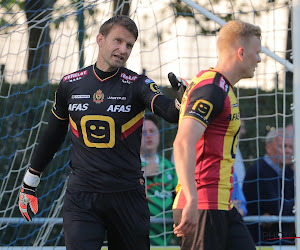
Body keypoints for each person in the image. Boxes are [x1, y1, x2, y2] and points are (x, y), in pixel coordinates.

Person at [18, 15, 185, 250]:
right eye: (118, 41)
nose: (123, 49)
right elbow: (53, 135)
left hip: (127, 195)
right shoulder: (70, 84)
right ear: (100, 39)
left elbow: (170, 112)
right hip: (82, 196)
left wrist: (181, 99)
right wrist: (29, 182)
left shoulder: (137, 84)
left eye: (129, 45)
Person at [172, 20, 261, 250]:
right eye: (257, 53)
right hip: (203, 204)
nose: (259, 60)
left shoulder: (221, 86)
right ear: (241, 53)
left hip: (222, 205)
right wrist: (192, 198)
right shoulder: (211, 87)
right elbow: (183, 143)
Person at [243, 128, 294, 245]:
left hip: (283, 240)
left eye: (291, 147)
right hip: (260, 241)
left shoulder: (288, 172)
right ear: (268, 148)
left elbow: (283, 208)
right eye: (283, 146)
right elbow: (279, 208)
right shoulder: (257, 172)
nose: (288, 151)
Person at [140, 114, 178, 246]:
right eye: (144, 132)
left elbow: (179, 195)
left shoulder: (170, 167)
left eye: (152, 131)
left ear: (159, 134)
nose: (148, 135)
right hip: (137, 239)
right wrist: (142, 174)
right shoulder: (129, 166)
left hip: (166, 242)